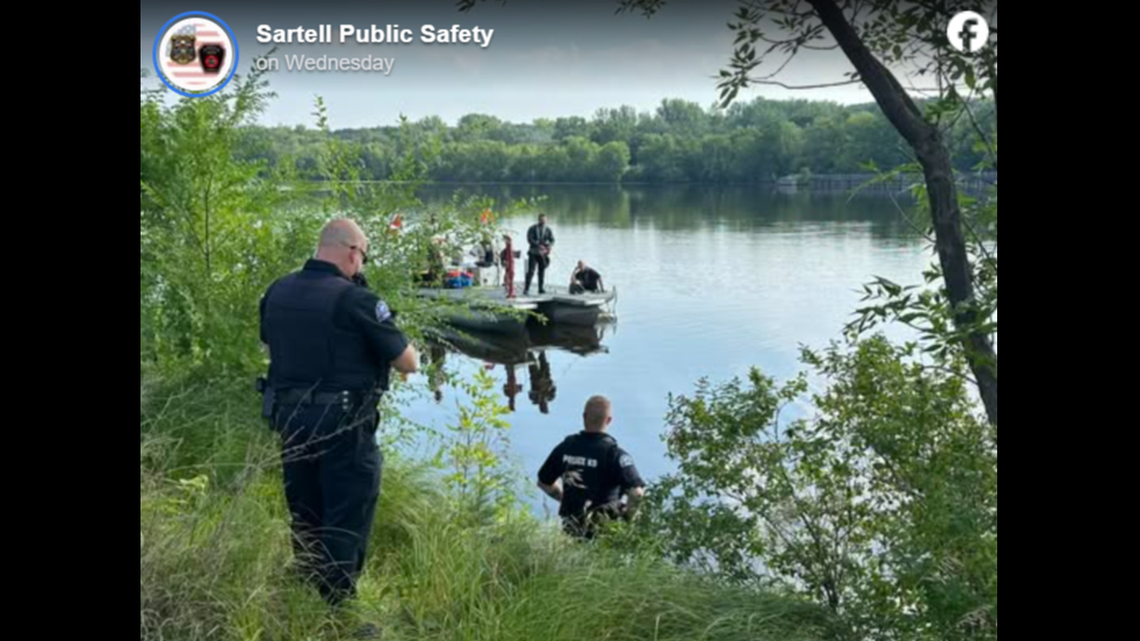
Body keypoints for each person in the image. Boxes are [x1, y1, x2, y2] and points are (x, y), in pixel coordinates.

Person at [259, 218, 418, 635]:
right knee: (346, 516)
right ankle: (339, 616)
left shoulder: (277, 291)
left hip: (291, 425)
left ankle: (306, 596)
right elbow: (409, 362)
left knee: (306, 510)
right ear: (352, 252)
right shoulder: (355, 301)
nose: (361, 263)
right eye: (363, 255)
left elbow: (272, 343)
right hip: (345, 429)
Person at [536, 395, 645, 539]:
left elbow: (543, 482)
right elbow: (637, 493)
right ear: (608, 420)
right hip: (605, 532)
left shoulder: (565, 448)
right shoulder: (614, 454)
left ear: (584, 417)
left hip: (571, 529)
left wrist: (564, 498)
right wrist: (629, 519)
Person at [524, 213, 554, 295]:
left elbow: (552, 240)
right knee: (531, 271)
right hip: (533, 252)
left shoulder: (548, 230)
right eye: (541, 220)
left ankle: (540, 288)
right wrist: (538, 245)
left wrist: (549, 246)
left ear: (546, 220)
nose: (543, 221)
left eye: (544, 220)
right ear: (538, 220)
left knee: (542, 270)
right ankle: (526, 289)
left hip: (543, 254)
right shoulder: (532, 228)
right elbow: (529, 239)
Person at [500, 234, 517, 298]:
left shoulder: (509, 247)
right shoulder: (506, 249)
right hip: (509, 264)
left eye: (506, 240)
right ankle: (510, 292)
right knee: (508, 277)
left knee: (510, 277)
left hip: (510, 264)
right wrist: (504, 262)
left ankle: (511, 292)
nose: (505, 241)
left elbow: (510, 256)